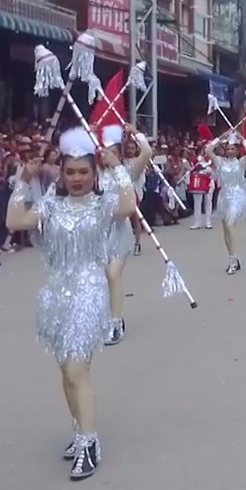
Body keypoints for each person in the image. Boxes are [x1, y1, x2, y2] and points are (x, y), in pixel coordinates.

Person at [4, 126, 137, 481]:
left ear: (94, 173)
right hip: (54, 297)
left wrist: (116, 168)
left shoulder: (103, 204)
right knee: (66, 372)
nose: (77, 178)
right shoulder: (50, 206)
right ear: (61, 173)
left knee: (78, 370)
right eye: (70, 171)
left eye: (84, 171)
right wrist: (22, 180)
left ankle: (90, 443)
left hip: (90, 293)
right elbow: (14, 220)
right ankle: (80, 430)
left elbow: (129, 204)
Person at [98, 124, 153, 346]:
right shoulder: (93, 174)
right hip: (98, 234)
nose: (107, 155)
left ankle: (115, 322)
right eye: (104, 150)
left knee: (113, 273)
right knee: (100, 279)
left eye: (112, 151)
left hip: (120, 232)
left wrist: (135, 133)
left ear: (119, 153)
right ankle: (105, 316)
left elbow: (147, 153)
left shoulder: (129, 171)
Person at [205, 131, 246, 274]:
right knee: (226, 230)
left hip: (237, 196)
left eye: (233, 148)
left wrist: (243, 139)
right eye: (228, 148)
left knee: (231, 225)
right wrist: (220, 137)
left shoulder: (241, 162)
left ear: (237, 150)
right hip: (224, 196)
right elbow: (208, 150)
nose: (230, 151)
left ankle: (233, 260)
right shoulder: (219, 161)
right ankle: (233, 257)